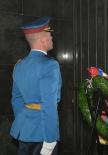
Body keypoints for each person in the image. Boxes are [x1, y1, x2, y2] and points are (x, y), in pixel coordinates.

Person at [10, 16, 62, 155]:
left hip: (24, 131)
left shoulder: (19, 66)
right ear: (43, 40)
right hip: (43, 134)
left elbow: (16, 100)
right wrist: (50, 140)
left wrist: (26, 121)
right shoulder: (50, 65)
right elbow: (49, 105)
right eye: (50, 35)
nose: (52, 38)